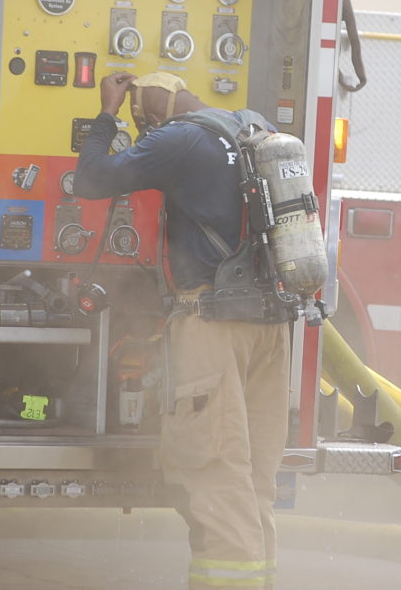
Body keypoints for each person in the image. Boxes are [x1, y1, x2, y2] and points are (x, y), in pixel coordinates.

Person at [73, 72, 290, 590]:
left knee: (214, 470)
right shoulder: (252, 127)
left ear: (151, 116)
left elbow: (91, 180)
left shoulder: (178, 138)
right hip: (269, 327)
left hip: (212, 322)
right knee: (254, 480)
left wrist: (107, 113)